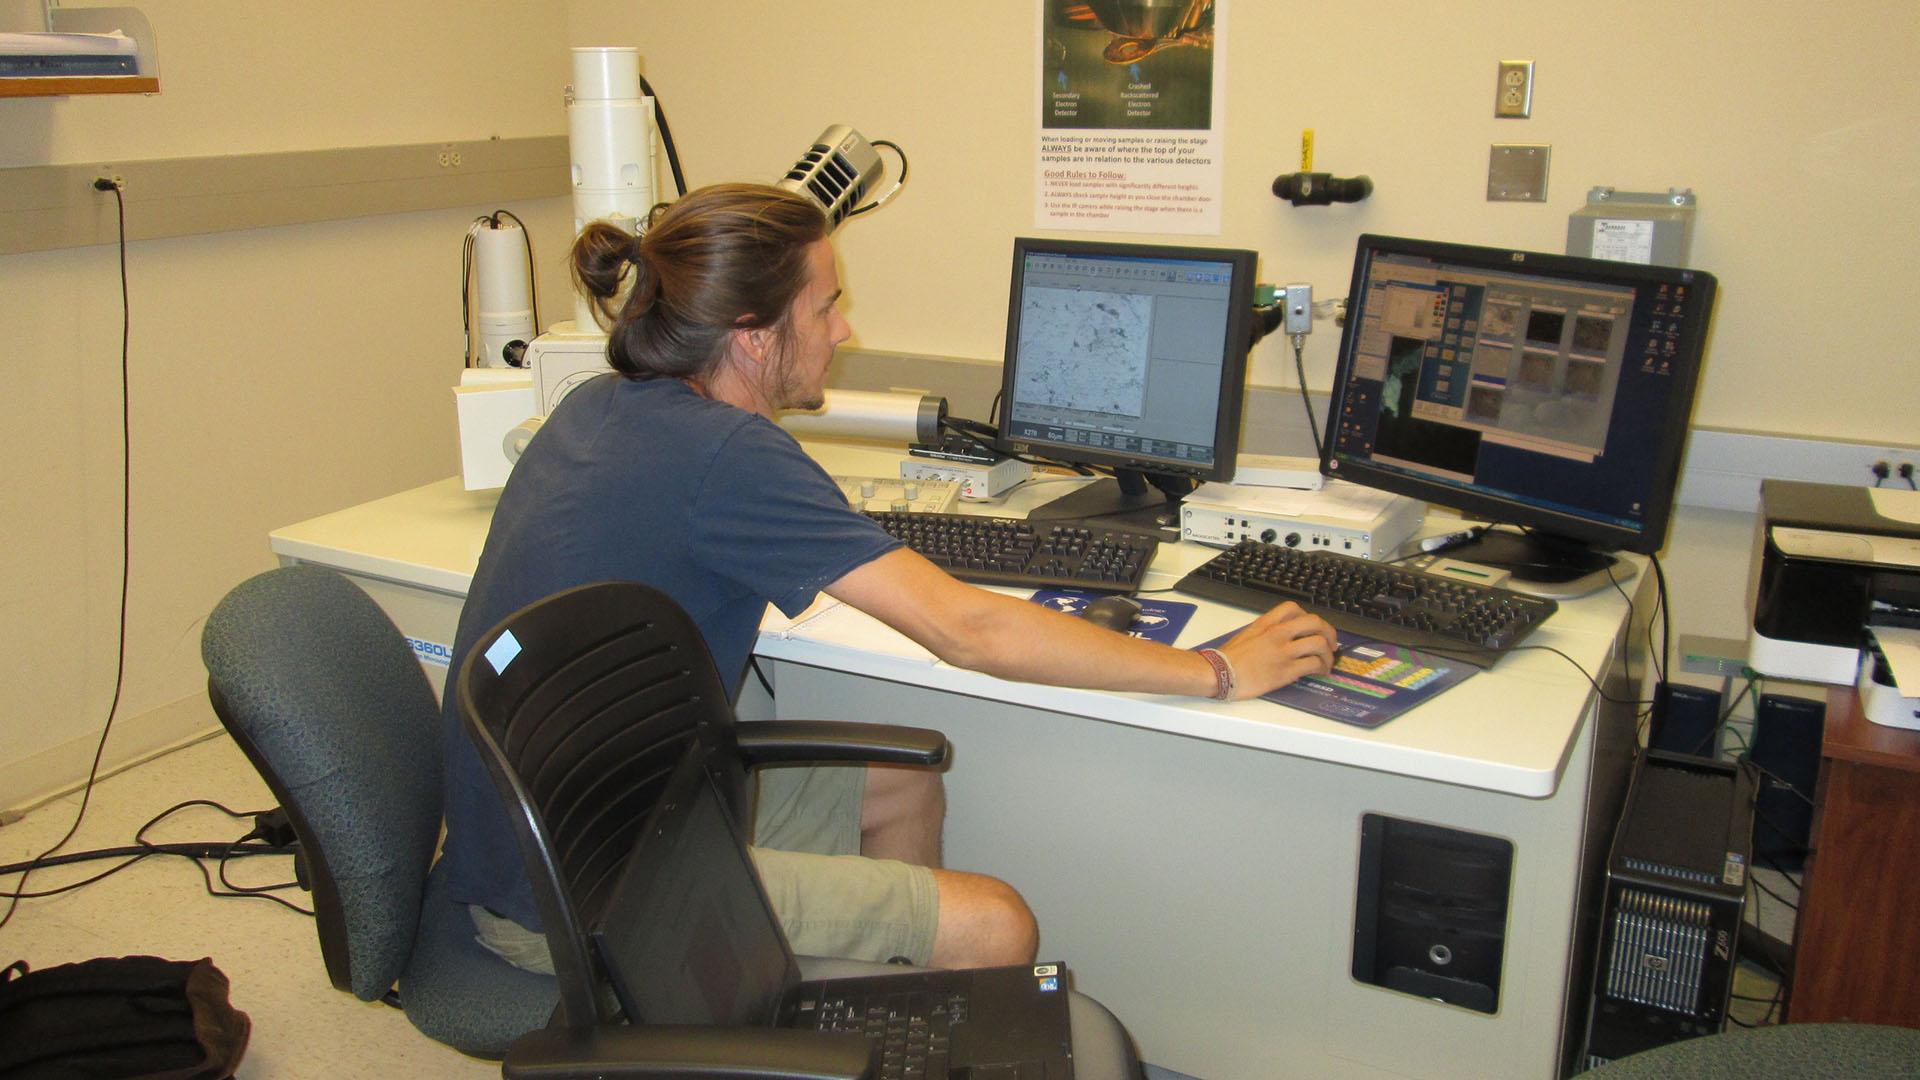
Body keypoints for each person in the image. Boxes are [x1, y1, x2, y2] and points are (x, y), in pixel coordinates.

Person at [439, 182, 1337, 977]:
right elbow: (969, 631)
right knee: (997, 926)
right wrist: (1219, 671)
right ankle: (842, 1007)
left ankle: (874, 1017)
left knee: (900, 775)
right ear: (752, 336)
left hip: (564, 819)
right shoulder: (728, 455)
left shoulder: (607, 405)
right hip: (579, 890)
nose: (844, 330)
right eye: (826, 307)